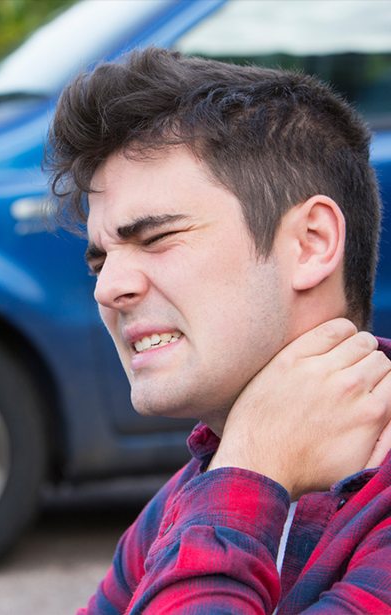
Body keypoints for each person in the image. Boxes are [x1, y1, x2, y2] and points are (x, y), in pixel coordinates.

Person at [46, 48, 391, 613]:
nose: (107, 289)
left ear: (312, 243)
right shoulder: (189, 493)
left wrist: (253, 465)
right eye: (99, 261)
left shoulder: (236, 472)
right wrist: (251, 465)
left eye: (156, 238)